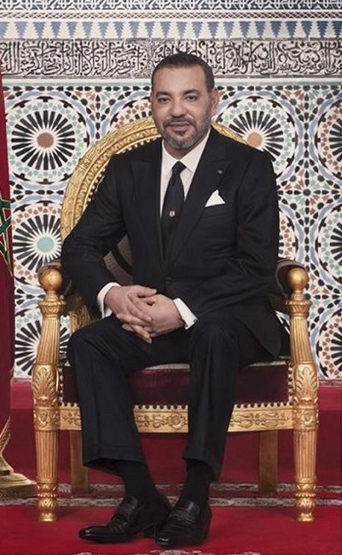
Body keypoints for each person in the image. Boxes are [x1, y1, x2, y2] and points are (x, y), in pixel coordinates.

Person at [61, 52, 288, 548]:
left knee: (211, 333)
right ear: (152, 105)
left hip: (231, 321)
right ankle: (141, 494)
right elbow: (78, 247)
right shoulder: (129, 169)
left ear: (213, 101)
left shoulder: (249, 166)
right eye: (165, 99)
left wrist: (181, 309)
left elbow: (255, 265)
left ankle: (195, 497)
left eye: (190, 97)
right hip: (150, 321)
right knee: (88, 345)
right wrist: (114, 295)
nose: (177, 110)